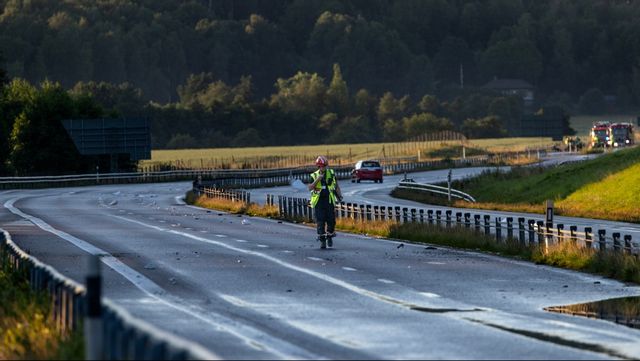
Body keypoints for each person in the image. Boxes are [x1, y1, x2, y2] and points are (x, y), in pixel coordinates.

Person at [308, 155, 343, 248]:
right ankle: (322, 240)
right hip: (319, 202)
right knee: (320, 221)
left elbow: (336, 186)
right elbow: (310, 187)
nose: (324, 168)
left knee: (331, 220)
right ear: (318, 166)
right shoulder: (314, 175)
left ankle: (330, 235)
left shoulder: (331, 173)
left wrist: (340, 196)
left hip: (329, 201)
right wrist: (318, 179)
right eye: (322, 166)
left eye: (325, 166)